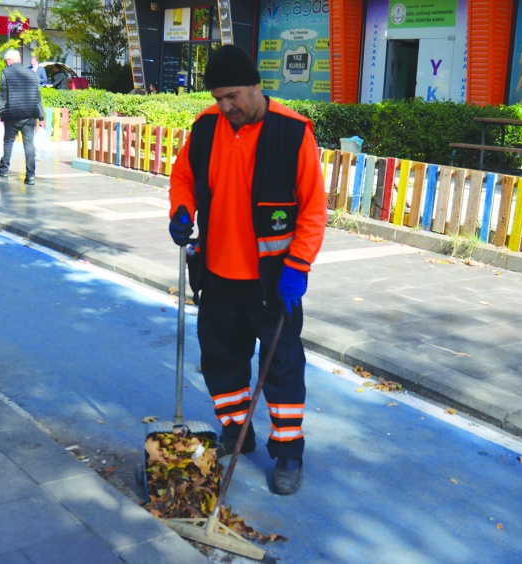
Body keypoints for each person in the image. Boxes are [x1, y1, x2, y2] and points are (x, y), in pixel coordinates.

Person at [168, 45, 327, 495]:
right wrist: (181, 209)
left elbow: (314, 210)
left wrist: (298, 264)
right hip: (217, 275)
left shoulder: (292, 132)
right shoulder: (206, 127)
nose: (225, 107)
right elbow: (183, 177)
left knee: (282, 367)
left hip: (273, 281)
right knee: (221, 360)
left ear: (256, 86)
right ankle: (237, 429)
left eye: (232, 96)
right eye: (218, 98)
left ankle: (288, 451)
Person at [0, 49, 45, 185]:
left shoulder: (6, 73)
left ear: (9, 61)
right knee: (29, 144)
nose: (6, 63)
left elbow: (3, 96)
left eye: (6, 61)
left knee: (8, 142)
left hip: (13, 114)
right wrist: (42, 117)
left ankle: (4, 170)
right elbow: (38, 97)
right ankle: (31, 176)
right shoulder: (32, 73)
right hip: (31, 114)